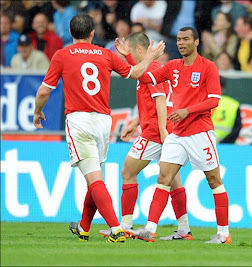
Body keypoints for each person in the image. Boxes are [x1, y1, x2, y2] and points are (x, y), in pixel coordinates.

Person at [33, 14, 165, 243]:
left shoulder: (62, 55)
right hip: (104, 121)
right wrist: (150, 57)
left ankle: (116, 229)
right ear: (93, 33)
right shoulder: (105, 54)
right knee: (95, 177)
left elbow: (44, 91)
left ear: (71, 33)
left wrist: (37, 111)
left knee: (94, 179)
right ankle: (84, 227)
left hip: (79, 120)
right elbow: (135, 74)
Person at [116, 27, 231, 244]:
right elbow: (142, 77)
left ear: (196, 42)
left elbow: (214, 100)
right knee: (164, 178)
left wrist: (188, 110)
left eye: (186, 39)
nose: (181, 43)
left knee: (214, 180)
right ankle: (150, 229)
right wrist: (134, 57)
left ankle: (224, 234)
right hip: (177, 134)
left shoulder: (208, 67)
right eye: (178, 39)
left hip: (200, 132)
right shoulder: (173, 67)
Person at [99, 32, 193, 241]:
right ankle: (184, 229)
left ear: (140, 50)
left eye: (131, 53)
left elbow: (160, 101)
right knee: (174, 180)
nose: (128, 58)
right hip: (165, 130)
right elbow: (148, 101)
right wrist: (134, 123)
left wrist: (161, 133)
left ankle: (125, 225)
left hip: (156, 133)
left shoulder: (152, 69)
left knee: (127, 172)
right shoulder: (150, 70)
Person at [211, 76, 242, 143]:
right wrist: (225, 143)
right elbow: (237, 129)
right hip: (227, 147)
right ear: (224, 88)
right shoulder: (233, 104)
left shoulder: (202, 102)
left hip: (205, 146)